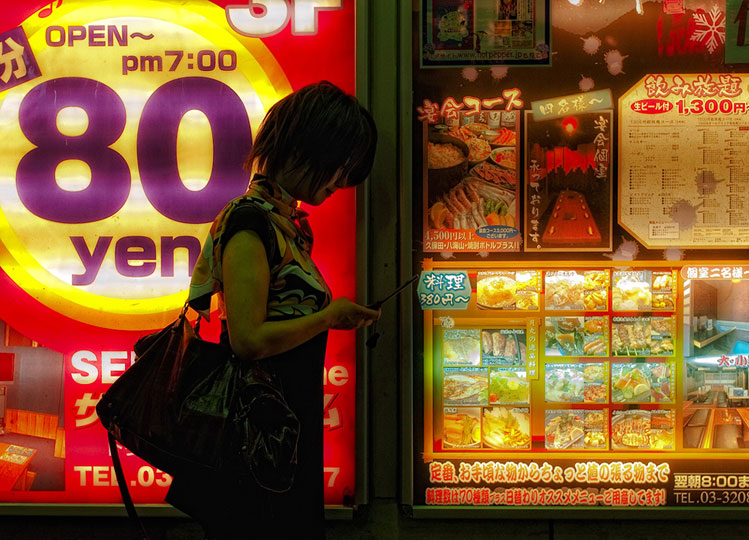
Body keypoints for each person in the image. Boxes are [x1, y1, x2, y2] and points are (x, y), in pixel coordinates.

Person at [165, 81, 380, 539]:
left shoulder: (282, 222)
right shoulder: (251, 221)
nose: (340, 181)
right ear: (308, 148)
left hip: (280, 430)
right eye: (339, 165)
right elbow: (247, 340)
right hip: (257, 436)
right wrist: (328, 317)